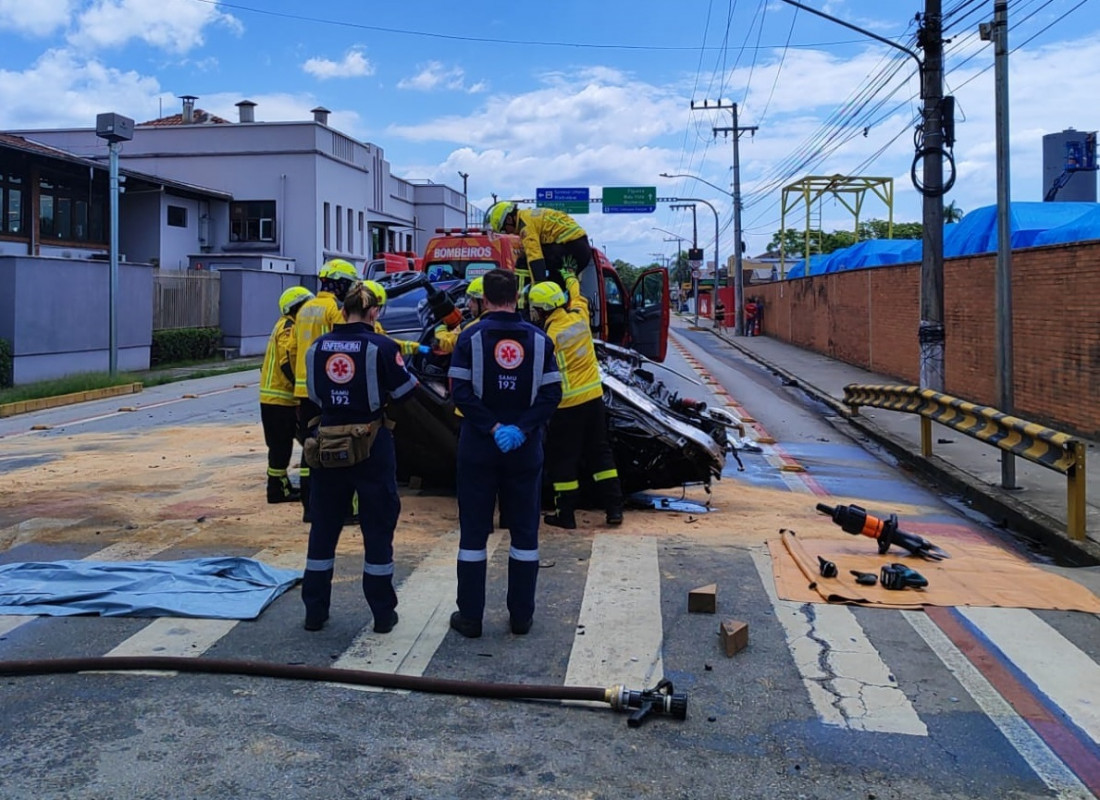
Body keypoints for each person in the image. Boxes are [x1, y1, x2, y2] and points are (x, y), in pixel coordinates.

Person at [447, 269, 562, 638]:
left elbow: (459, 392)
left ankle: (470, 618)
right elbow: (551, 395)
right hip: (524, 450)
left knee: (473, 534)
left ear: (486, 298)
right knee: (525, 533)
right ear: (517, 296)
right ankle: (521, 618)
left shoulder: (469, 337)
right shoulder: (541, 341)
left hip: (478, 447)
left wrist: (492, 428)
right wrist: (520, 429)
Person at [300, 282, 419, 632]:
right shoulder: (382, 346)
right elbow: (406, 393)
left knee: (323, 529)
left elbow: (312, 398)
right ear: (373, 312)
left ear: (342, 310)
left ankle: (314, 613)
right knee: (378, 529)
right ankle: (382, 614)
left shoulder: (317, 348)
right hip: (371, 445)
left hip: (327, 445)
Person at [528, 271, 624, 530]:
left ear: (543, 309)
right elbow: (577, 295)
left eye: (535, 309)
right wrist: (570, 275)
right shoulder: (579, 317)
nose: (533, 313)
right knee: (601, 454)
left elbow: (539, 373)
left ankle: (566, 514)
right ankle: (614, 509)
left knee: (564, 460)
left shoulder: (549, 338)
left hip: (567, 405)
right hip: (594, 398)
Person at [293, 258, 360, 522]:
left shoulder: (305, 309)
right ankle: (343, 509)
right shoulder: (334, 311)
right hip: (326, 390)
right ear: (338, 284)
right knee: (337, 446)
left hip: (302, 390)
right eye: (348, 285)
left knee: (310, 448)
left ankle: (310, 508)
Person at [260, 285, 314, 503]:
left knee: (280, 445)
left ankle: (278, 486)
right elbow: (287, 360)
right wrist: (301, 387)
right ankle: (277, 490)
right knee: (281, 446)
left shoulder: (283, 325)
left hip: (276, 399)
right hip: (280, 399)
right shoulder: (289, 328)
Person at [484, 201, 592, 287]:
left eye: (504, 229)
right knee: (556, 283)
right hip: (578, 248)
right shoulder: (529, 215)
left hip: (572, 247)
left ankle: (524, 302)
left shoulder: (525, 226)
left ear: (509, 219)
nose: (508, 233)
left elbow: (535, 258)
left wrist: (538, 290)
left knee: (523, 260)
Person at [431, 276, 485, 355]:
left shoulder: (472, 327)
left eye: (473, 300)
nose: (469, 305)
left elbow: (447, 343)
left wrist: (440, 328)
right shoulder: (503, 319)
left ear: (484, 302)